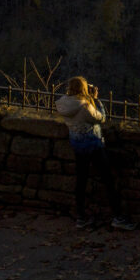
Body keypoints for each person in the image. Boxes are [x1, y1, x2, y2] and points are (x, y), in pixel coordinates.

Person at [58, 76, 131, 230]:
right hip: (93, 146)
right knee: (108, 180)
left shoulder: (63, 103)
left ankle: (81, 217)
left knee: (81, 182)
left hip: (77, 146)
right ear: (84, 89)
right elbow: (101, 118)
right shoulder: (85, 106)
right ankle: (118, 217)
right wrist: (96, 100)